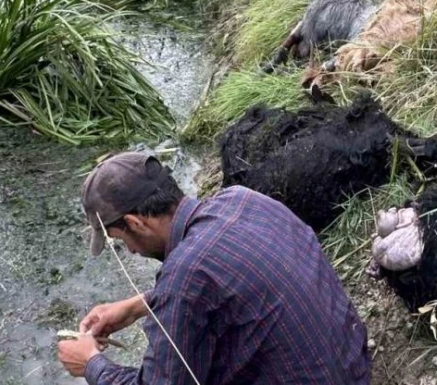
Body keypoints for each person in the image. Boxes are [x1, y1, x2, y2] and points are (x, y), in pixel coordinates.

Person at [57, 152, 371, 385]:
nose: (132, 251)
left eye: (121, 240)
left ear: (135, 223)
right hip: (354, 369)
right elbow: (233, 285)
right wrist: (139, 306)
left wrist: (92, 364)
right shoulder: (241, 198)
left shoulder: (184, 277)